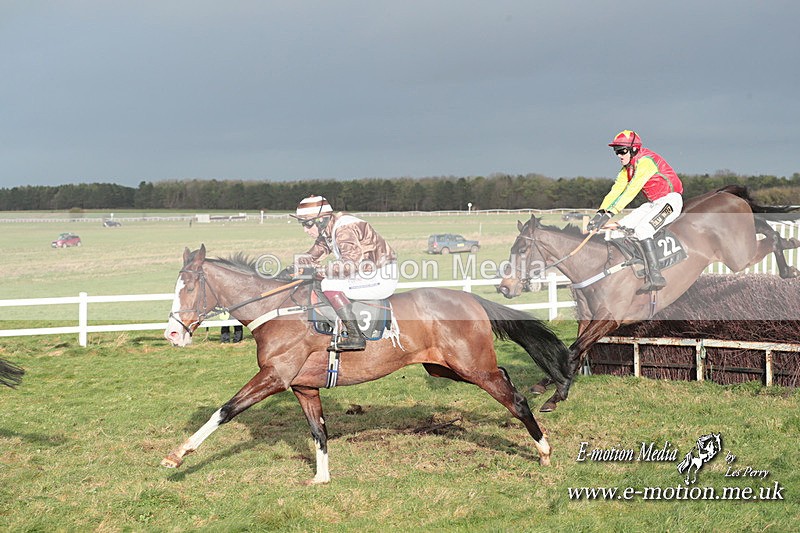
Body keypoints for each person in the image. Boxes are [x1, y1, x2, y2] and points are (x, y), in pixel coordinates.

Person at [290, 195, 398, 351]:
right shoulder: (328, 230)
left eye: (307, 224)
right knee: (318, 282)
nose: (305, 230)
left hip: (381, 276)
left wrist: (320, 271)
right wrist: (291, 269)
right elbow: (311, 256)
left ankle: (356, 337)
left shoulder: (344, 229)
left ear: (321, 220)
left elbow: (350, 264)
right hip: (368, 273)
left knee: (328, 283)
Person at [587, 130, 683, 292]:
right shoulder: (626, 169)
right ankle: (627, 272)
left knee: (643, 229)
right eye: (616, 151)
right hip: (653, 204)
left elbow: (631, 190)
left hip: (671, 200)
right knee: (619, 229)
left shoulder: (646, 162)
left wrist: (611, 212)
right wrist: (601, 213)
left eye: (622, 150)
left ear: (634, 149)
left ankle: (656, 275)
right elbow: (616, 191)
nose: (618, 155)